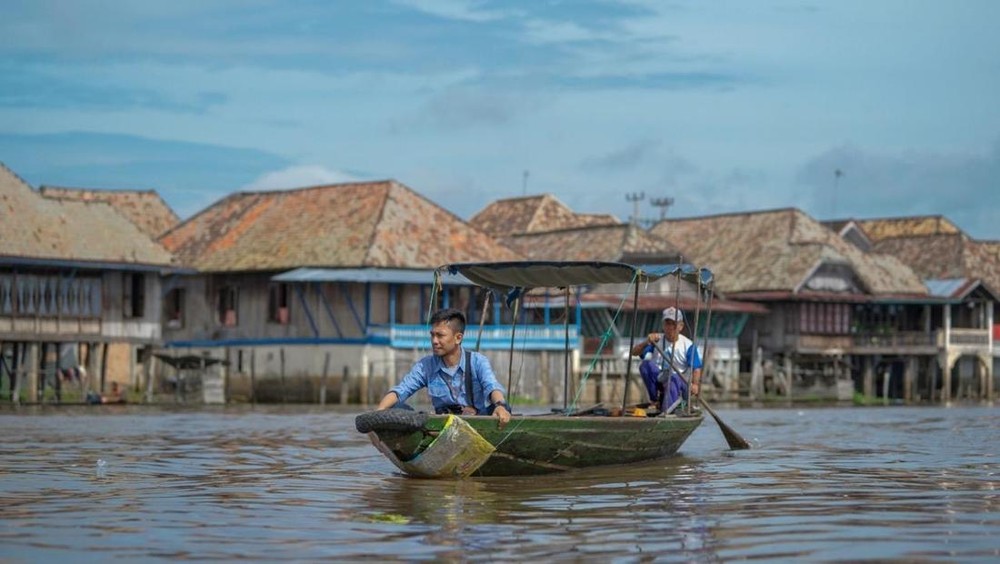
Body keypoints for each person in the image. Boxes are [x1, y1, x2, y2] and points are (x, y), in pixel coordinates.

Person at [376, 308, 511, 429]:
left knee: (502, 408)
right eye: (432, 335)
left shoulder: (477, 361)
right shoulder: (426, 365)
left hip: (478, 423)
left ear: (458, 338)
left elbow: (492, 386)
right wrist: (379, 413)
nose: (434, 341)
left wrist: (500, 405)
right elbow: (401, 391)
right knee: (393, 408)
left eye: (440, 335)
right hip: (443, 425)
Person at [631, 307, 703, 413]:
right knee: (645, 365)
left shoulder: (688, 345)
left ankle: (666, 412)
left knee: (673, 378)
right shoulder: (657, 340)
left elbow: (696, 368)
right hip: (661, 378)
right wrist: (646, 342)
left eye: (673, 324)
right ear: (663, 325)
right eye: (667, 324)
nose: (670, 327)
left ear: (680, 326)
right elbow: (634, 352)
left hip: (679, 382)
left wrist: (695, 384)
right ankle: (655, 401)